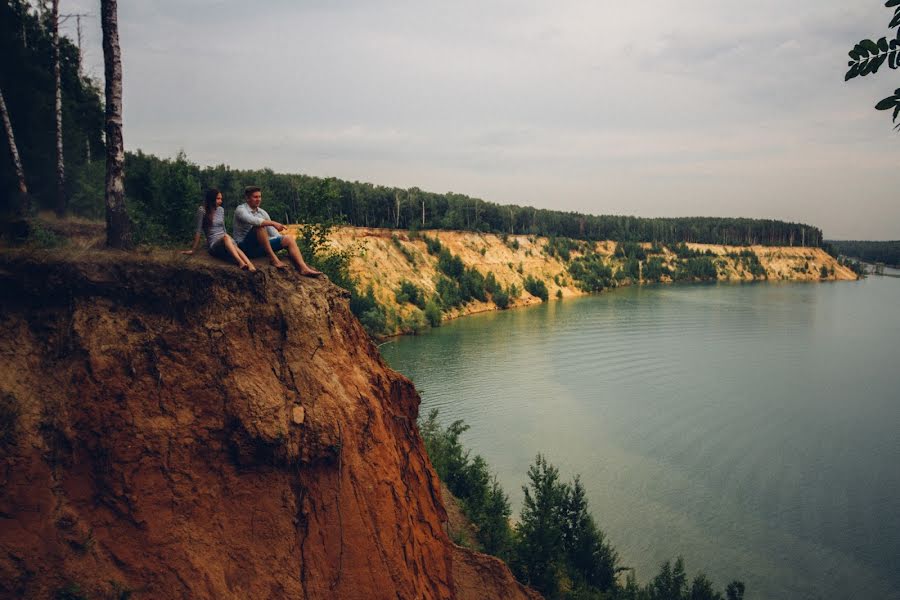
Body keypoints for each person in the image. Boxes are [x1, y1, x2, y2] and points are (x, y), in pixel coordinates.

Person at [233, 186, 322, 276]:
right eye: (255, 197)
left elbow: (273, 233)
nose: (258, 199)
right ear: (247, 198)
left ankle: (303, 268)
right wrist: (273, 223)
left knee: (288, 239)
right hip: (244, 248)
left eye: (260, 197)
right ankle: (273, 259)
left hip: (259, 248)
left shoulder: (262, 212)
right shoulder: (240, 210)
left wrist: (282, 241)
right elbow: (254, 221)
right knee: (259, 227)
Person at [182, 188, 256, 271]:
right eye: (218, 198)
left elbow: (223, 227)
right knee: (226, 237)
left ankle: (250, 264)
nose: (220, 201)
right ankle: (241, 262)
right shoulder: (202, 210)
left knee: (232, 243)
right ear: (211, 199)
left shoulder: (221, 210)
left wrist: (232, 242)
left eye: (221, 198)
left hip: (225, 239)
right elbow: (198, 231)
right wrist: (193, 250)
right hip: (214, 244)